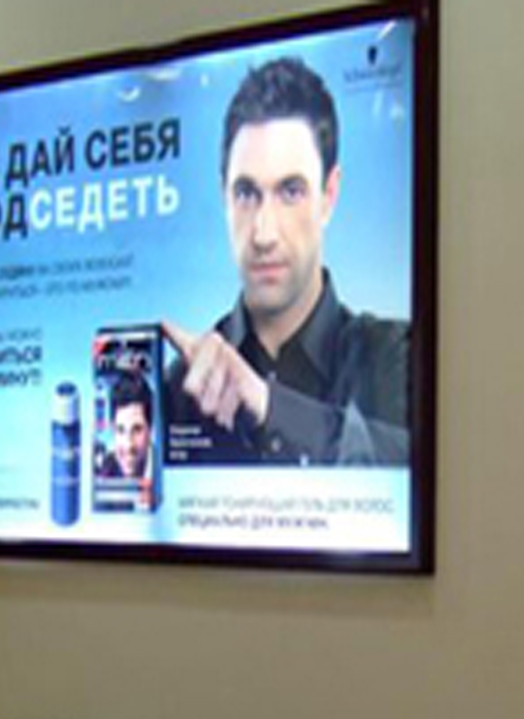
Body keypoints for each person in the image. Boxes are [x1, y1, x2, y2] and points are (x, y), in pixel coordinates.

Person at [164, 56, 409, 467]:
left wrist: (268, 406)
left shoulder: (393, 358)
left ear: (329, 195)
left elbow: (412, 462)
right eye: (246, 193)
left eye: (290, 192)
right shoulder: (182, 386)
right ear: (224, 196)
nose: (263, 234)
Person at [98, 372, 153, 479]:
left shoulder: (163, 471)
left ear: (150, 430)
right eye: (121, 430)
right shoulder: (105, 472)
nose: (129, 445)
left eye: (137, 430)